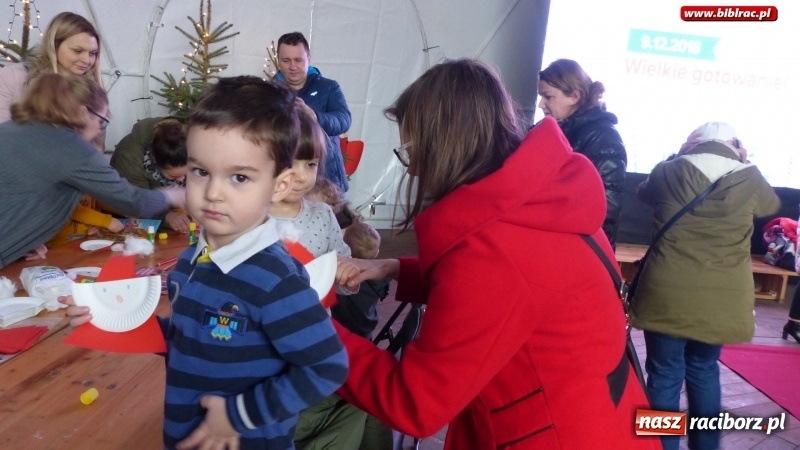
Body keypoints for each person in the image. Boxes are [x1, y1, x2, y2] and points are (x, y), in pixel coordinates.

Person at [335, 59, 656, 449]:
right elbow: (523, 293)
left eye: (414, 149)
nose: (415, 168)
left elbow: (416, 403)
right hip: (603, 419)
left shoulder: (492, 251)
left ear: (446, 147)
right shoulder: (543, 203)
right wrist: (395, 268)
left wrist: (310, 332)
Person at [61, 76, 349, 450]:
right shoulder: (191, 261)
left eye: (239, 177)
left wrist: (238, 415)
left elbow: (327, 367)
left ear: (281, 184)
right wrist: (107, 317)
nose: (213, 192)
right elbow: (191, 337)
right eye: (200, 171)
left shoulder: (276, 280)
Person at [630, 122, 780, 450]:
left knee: (664, 374)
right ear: (734, 144)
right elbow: (770, 207)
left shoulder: (667, 171)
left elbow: (643, 192)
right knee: (703, 368)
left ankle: (661, 445)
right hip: (721, 299)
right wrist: (743, 161)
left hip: (667, 292)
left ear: (693, 142)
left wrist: (678, 156)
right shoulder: (750, 176)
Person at [270, 112, 389, 450]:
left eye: (311, 165)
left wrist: (346, 279)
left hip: (316, 340)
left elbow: (337, 264)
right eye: (291, 165)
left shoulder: (322, 216)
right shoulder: (250, 218)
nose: (302, 176)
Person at [0, 73, 183, 268]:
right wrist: (173, 195)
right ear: (82, 112)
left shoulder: (13, 129)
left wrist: (22, 240)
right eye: (102, 122)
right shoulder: (71, 148)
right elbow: (134, 202)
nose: (99, 131)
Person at [537, 58, 626, 247]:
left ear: (575, 96)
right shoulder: (553, 130)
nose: (541, 104)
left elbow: (604, 211)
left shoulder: (604, 138)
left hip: (577, 248)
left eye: (548, 96)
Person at [46, 78, 124, 247]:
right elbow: (73, 208)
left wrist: (90, 225)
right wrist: (105, 221)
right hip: (56, 245)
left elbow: (93, 201)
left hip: (79, 241)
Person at [276, 31, 351, 193]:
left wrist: (315, 117)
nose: (293, 67)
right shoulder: (269, 92)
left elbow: (344, 120)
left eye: (298, 60)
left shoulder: (329, 87)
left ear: (309, 59)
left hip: (327, 179)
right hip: (284, 180)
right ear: (278, 61)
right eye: (286, 60)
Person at [0, 12, 102, 123]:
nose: (87, 60)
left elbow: (96, 138)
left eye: (92, 53)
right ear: (54, 45)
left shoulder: (92, 90)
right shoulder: (13, 76)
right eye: (78, 51)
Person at [110, 117, 191, 232]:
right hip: (131, 222)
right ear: (154, 160)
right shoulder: (130, 159)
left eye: (187, 173)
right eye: (173, 177)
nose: (181, 180)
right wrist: (167, 216)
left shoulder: (190, 141)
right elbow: (135, 204)